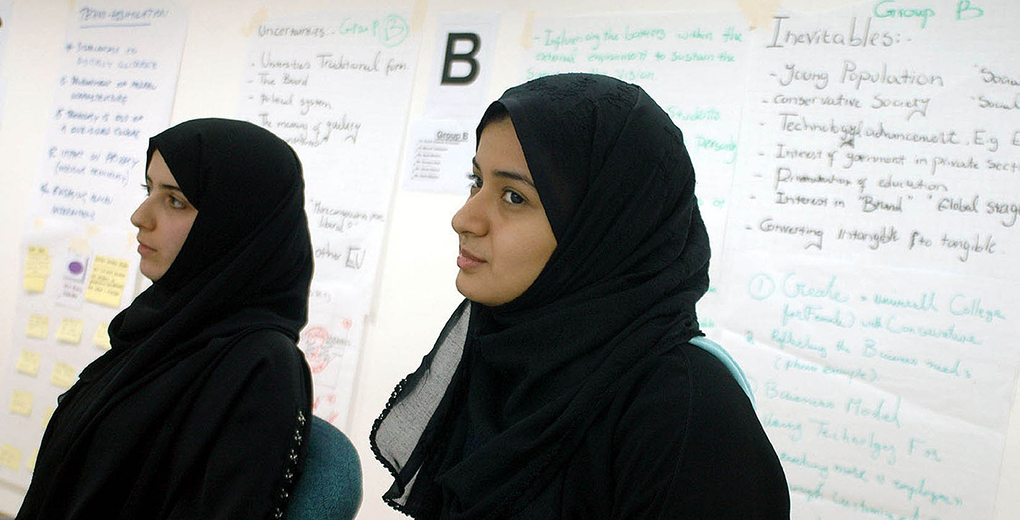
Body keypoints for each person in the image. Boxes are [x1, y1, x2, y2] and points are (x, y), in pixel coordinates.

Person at [371, 73, 789, 519]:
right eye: (476, 182)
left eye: (513, 196)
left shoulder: (684, 411)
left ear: (604, 230)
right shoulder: (502, 359)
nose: (464, 218)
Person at [17, 118, 317, 519]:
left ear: (234, 223)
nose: (140, 216)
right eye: (149, 189)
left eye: (175, 200)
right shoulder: (157, 331)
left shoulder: (261, 367)